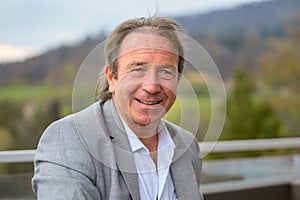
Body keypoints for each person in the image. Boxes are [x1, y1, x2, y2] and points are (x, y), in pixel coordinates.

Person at [32, 16, 203, 200]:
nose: (152, 86)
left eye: (166, 71)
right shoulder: (69, 139)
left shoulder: (187, 145)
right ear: (112, 78)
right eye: (137, 69)